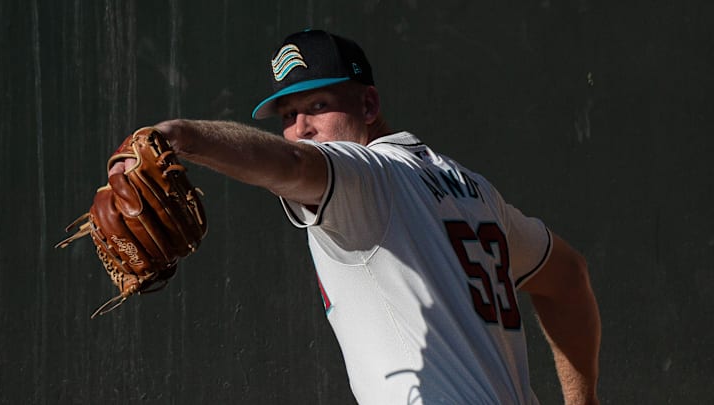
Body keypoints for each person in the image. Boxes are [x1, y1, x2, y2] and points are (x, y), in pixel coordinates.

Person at [150, 29, 601, 404]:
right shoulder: (473, 189)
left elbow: (290, 163)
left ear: (368, 106)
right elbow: (567, 277)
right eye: (288, 114)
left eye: (319, 106)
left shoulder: (366, 176)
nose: (301, 128)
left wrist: (181, 136)